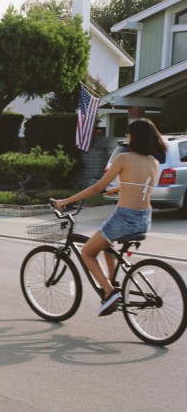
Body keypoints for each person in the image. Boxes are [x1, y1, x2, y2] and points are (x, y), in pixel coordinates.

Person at [53, 117, 166, 317]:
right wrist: (119, 188)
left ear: (134, 137)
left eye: (128, 133)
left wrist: (65, 201)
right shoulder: (153, 161)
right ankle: (111, 282)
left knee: (87, 252)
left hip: (124, 218)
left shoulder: (123, 158)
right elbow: (142, 183)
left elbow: (97, 187)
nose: (126, 137)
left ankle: (110, 292)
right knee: (106, 245)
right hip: (144, 219)